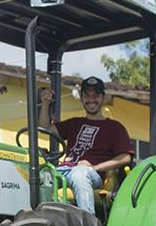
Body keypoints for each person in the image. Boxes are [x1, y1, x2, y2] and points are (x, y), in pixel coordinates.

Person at [37, 76, 132, 214]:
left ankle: (88, 225)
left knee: (80, 173)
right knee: (38, 176)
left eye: (96, 95)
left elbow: (125, 157)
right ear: (81, 98)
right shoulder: (74, 123)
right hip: (64, 170)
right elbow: (45, 128)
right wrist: (45, 104)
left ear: (103, 98)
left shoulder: (114, 127)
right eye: (87, 95)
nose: (91, 99)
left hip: (92, 175)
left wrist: (94, 167)